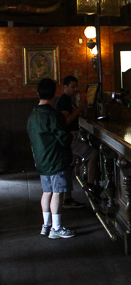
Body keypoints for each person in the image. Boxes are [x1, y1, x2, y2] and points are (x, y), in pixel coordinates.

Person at [27, 77, 76, 239]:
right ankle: (56, 228)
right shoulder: (54, 115)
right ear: (54, 93)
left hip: (41, 160)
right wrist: (71, 135)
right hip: (56, 160)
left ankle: (46, 224)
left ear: (37, 94)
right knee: (57, 193)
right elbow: (63, 138)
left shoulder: (32, 116)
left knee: (46, 192)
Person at [56, 75, 99, 202]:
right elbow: (66, 120)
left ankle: (68, 198)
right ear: (65, 87)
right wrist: (80, 107)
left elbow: (85, 115)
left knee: (69, 167)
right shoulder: (63, 100)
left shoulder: (70, 100)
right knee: (93, 154)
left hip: (71, 135)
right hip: (68, 137)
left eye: (76, 86)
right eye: (72, 87)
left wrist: (83, 103)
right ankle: (89, 185)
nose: (75, 89)